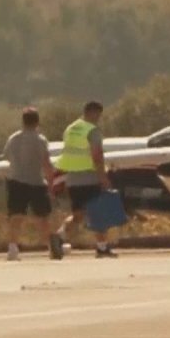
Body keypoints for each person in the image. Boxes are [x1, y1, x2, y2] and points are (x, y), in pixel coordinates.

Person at [54, 101, 117, 258]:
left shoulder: (71, 128)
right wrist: (103, 178)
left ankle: (59, 236)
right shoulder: (92, 131)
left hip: (73, 179)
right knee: (98, 213)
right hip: (90, 177)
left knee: (78, 215)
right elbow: (97, 156)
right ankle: (102, 247)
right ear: (93, 112)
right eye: (98, 115)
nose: (99, 118)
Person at [2, 107, 61, 261]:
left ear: (23, 121)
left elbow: (7, 157)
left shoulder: (13, 138)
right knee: (43, 217)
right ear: (37, 121)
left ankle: (13, 248)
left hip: (16, 181)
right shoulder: (40, 140)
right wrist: (51, 183)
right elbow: (46, 163)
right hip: (35, 181)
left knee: (16, 216)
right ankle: (52, 247)